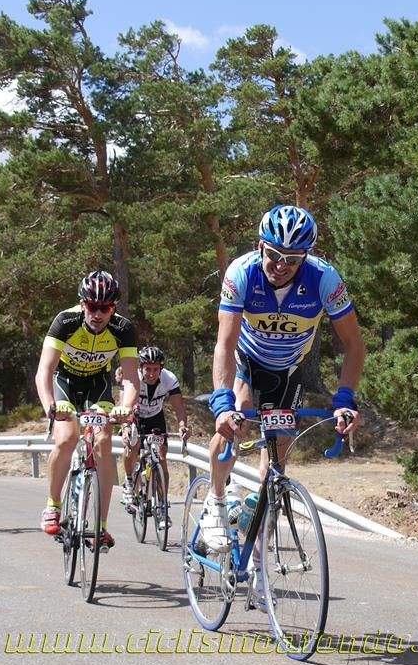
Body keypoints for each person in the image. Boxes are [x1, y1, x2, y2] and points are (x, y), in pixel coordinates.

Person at [202, 205, 366, 582]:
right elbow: (224, 345)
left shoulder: (325, 279)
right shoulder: (241, 273)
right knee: (233, 425)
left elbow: (354, 345)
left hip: (288, 371)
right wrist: (222, 403)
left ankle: (257, 560)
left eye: (292, 259)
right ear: (260, 246)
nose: (281, 264)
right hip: (246, 361)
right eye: (274, 255)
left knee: (275, 465)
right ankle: (215, 499)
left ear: (305, 256)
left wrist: (344, 399)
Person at [36, 270, 140, 548]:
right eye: (92, 307)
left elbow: (130, 377)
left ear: (113, 308)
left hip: (98, 384)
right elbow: (45, 370)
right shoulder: (65, 321)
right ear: (82, 304)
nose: (97, 314)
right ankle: (53, 505)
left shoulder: (123, 329)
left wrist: (125, 406)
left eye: (104, 308)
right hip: (65, 382)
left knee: (104, 442)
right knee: (67, 437)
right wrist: (50, 407)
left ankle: (99, 526)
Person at [120, 346, 189, 527]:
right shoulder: (133, 378)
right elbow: (124, 404)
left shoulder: (169, 379)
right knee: (132, 445)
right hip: (135, 416)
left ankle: (162, 506)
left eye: (155, 369)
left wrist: (182, 425)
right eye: (147, 369)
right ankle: (128, 481)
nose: (151, 373)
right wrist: (126, 427)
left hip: (156, 418)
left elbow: (179, 407)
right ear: (141, 368)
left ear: (161, 368)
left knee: (161, 458)